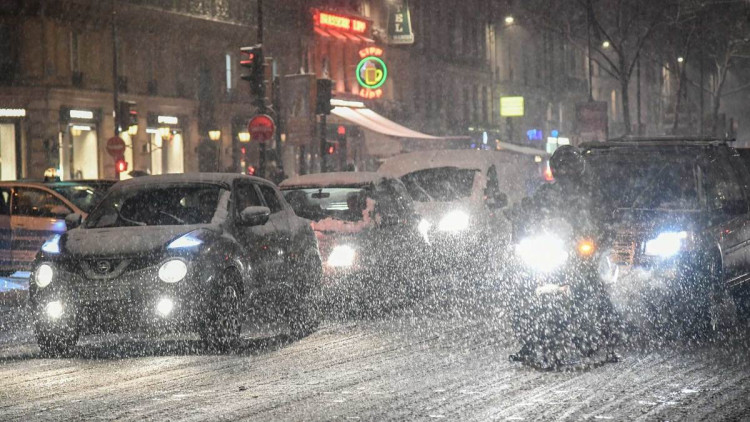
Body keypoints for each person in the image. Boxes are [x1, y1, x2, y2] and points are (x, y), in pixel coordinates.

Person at [509, 145, 620, 365]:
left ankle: (607, 342)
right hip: (551, 249)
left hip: (579, 254)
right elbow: (529, 212)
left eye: (570, 167)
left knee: (593, 288)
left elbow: (603, 217)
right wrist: (520, 224)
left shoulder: (590, 193)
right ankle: (529, 340)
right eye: (563, 167)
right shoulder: (546, 192)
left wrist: (596, 236)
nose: (567, 172)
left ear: (578, 168)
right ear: (556, 169)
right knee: (522, 286)